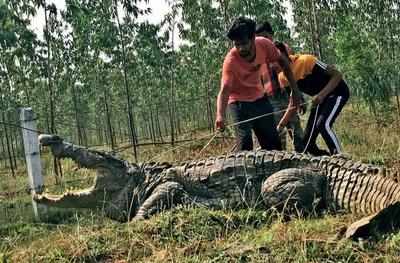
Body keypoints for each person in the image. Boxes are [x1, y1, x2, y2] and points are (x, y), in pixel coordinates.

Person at [215, 17, 301, 151]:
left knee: (274, 144)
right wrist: (220, 115)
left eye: (244, 43)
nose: (241, 48)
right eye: (237, 44)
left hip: (260, 98)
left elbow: (284, 63)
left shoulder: (265, 45)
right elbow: (225, 90)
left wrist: (295, 91)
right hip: (238, 103)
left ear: (253, 38)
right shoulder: (230, 61)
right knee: (245, 145)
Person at [275, 42, 350, 156]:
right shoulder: (282, 78)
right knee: (307, 144)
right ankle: (326, 161)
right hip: (321, 100)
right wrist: (280, 126)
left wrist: (321, 95)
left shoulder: (306, 61)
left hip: (337, 92)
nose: (274, 64)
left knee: (323, 125)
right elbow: (293, 102)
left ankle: (340, 158)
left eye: (277, 58)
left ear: (285, 55)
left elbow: (337, 75)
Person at [255, 21, 305, 152]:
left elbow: (293, 73)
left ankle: (303, 158)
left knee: (296, 131)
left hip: (287, 95)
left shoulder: (282, 48)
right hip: (271, 99)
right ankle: (280, 165)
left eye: (265, 36)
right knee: (277, 135)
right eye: (258, 38)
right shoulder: (256, 55)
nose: (263, 40)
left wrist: (300, 96)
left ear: (271, 35)